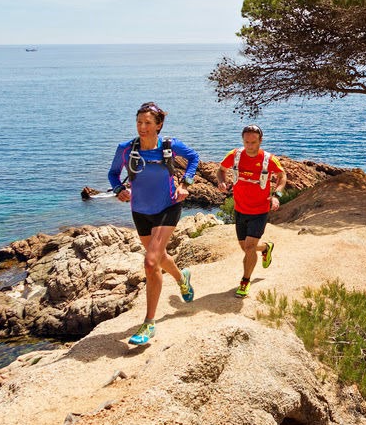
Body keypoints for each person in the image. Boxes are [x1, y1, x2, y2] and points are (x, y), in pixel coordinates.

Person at [107, 101, 201, 345]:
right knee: (159, 257)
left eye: (148, 122)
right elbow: (113, 173)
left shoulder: (169, 146)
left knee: (150, 262)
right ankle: (182, 279)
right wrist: (119, 189)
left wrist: (185, 185)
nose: (142, 127)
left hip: (168, 206)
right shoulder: (126, 148)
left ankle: (149, 324)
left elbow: (193, 157)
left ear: (159, 125)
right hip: (140, 210)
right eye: (139, 122)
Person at [217, 124, 286, 298]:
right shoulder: (235, 155)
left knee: (249, 247)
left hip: (260, 210)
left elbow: (282, 175)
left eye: (253, 142)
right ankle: (265, 248)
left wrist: (276, 194)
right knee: (245, 247)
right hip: (240, 209)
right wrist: (222, 181)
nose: (249, 146)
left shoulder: (269, 159)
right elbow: (221, 170)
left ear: (260, 141)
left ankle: (245, 281)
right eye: (246, 142)